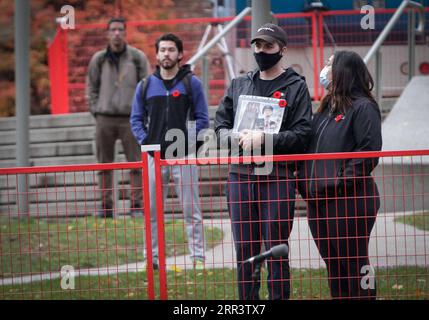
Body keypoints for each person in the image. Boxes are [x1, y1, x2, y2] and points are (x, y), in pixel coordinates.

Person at [214, 23, 312, 300]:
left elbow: (303, 134)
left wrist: (266, 139)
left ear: (282, 49)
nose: (261, 51)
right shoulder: (239, 84)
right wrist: (236, 137)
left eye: (268, 46)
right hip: (240, 177)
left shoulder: (296, 87)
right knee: (245, 249)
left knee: (276, 248)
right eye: (257, 45)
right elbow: (219, 127)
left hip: (276, 178)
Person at [298, 51, 382, 300]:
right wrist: (306, 185)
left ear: (344, 71)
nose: (324, 68)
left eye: (330, 64)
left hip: (349, 201)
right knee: (335, 268)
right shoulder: (325, 108)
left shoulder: (363, 107)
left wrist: (337, 183)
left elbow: (368, 152)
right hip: (319, 202)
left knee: (355, 265)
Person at [130, 33, 209, 270]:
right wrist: (148, 143)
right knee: (152, 211)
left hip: (184, 157)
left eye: (171, 49)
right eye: (162, 50)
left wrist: (189, 146)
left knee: (191, 210)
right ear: (156, 55)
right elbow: (135, 120)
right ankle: (151, 258)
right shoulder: (145, 86)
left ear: (180, 54)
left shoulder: (191, 83)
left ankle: (198, 259)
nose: (167, 54)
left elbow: (203, 119)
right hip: (154, 158)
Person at [86, 17, 149, 218]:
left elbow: (146, 86)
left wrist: (142, 113)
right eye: (113, 29)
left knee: (136, 164)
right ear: (107, 33)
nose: (116, 33)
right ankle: (106, 207)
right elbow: (91, 87)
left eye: (120, 30)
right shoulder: (99, 59)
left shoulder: (137, 57)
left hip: (131, 117)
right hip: (104, 118)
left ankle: (137, 206)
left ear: (125, 33)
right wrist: (95, 109)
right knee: (104, 164)